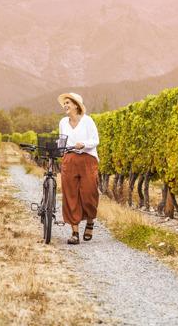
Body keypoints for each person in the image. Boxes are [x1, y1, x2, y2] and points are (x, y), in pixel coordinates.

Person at [58, 92, 99, 245]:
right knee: (70, 195)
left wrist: (84, 144)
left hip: (87, 159)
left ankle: (90, 221)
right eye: (65, 103)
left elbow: (95, 140)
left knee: (89, 194)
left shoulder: (87, 121)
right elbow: (62, 140)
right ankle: (74, 232)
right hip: (69, 160)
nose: (65, 106)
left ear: (76, 105)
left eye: (68, 103)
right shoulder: (63, 122)